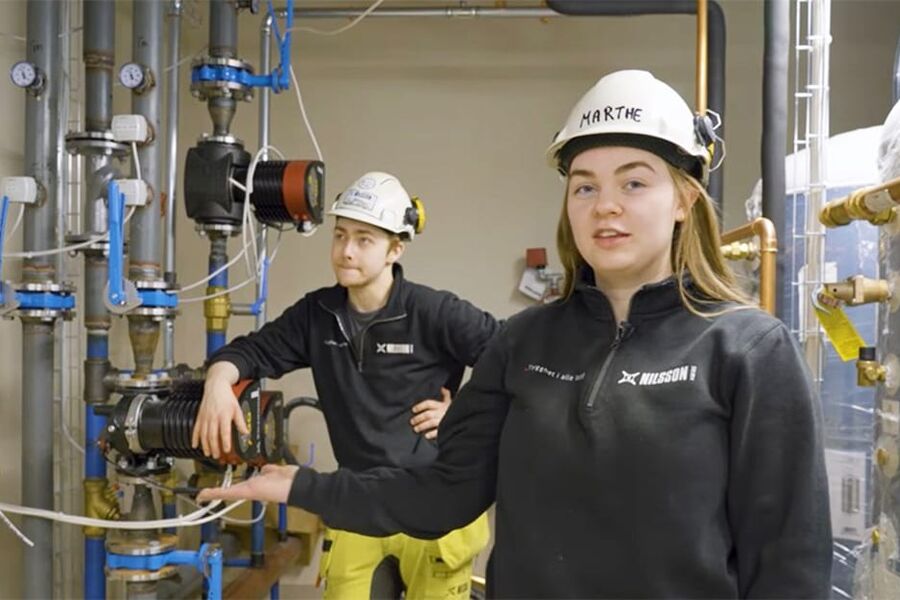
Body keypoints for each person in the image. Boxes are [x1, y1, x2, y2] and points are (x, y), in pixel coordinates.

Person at [199, 70, 833, 598]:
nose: (605, 205)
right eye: (585, 186)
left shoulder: (747, 350)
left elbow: (788, 562)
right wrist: (304, 486)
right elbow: (445, 494)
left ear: (683, 200)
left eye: (634, 181)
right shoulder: (524, 344)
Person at [192, 171, 499, 599]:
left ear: (395, 248)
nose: (346, 251)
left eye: (363, 239)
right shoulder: (317, 315)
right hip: (359, 499)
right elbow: (250, 351)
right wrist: (217, 382)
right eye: (340, 236)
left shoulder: (433, 311)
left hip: (434, 500)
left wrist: (460, 413)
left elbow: (508, 357)